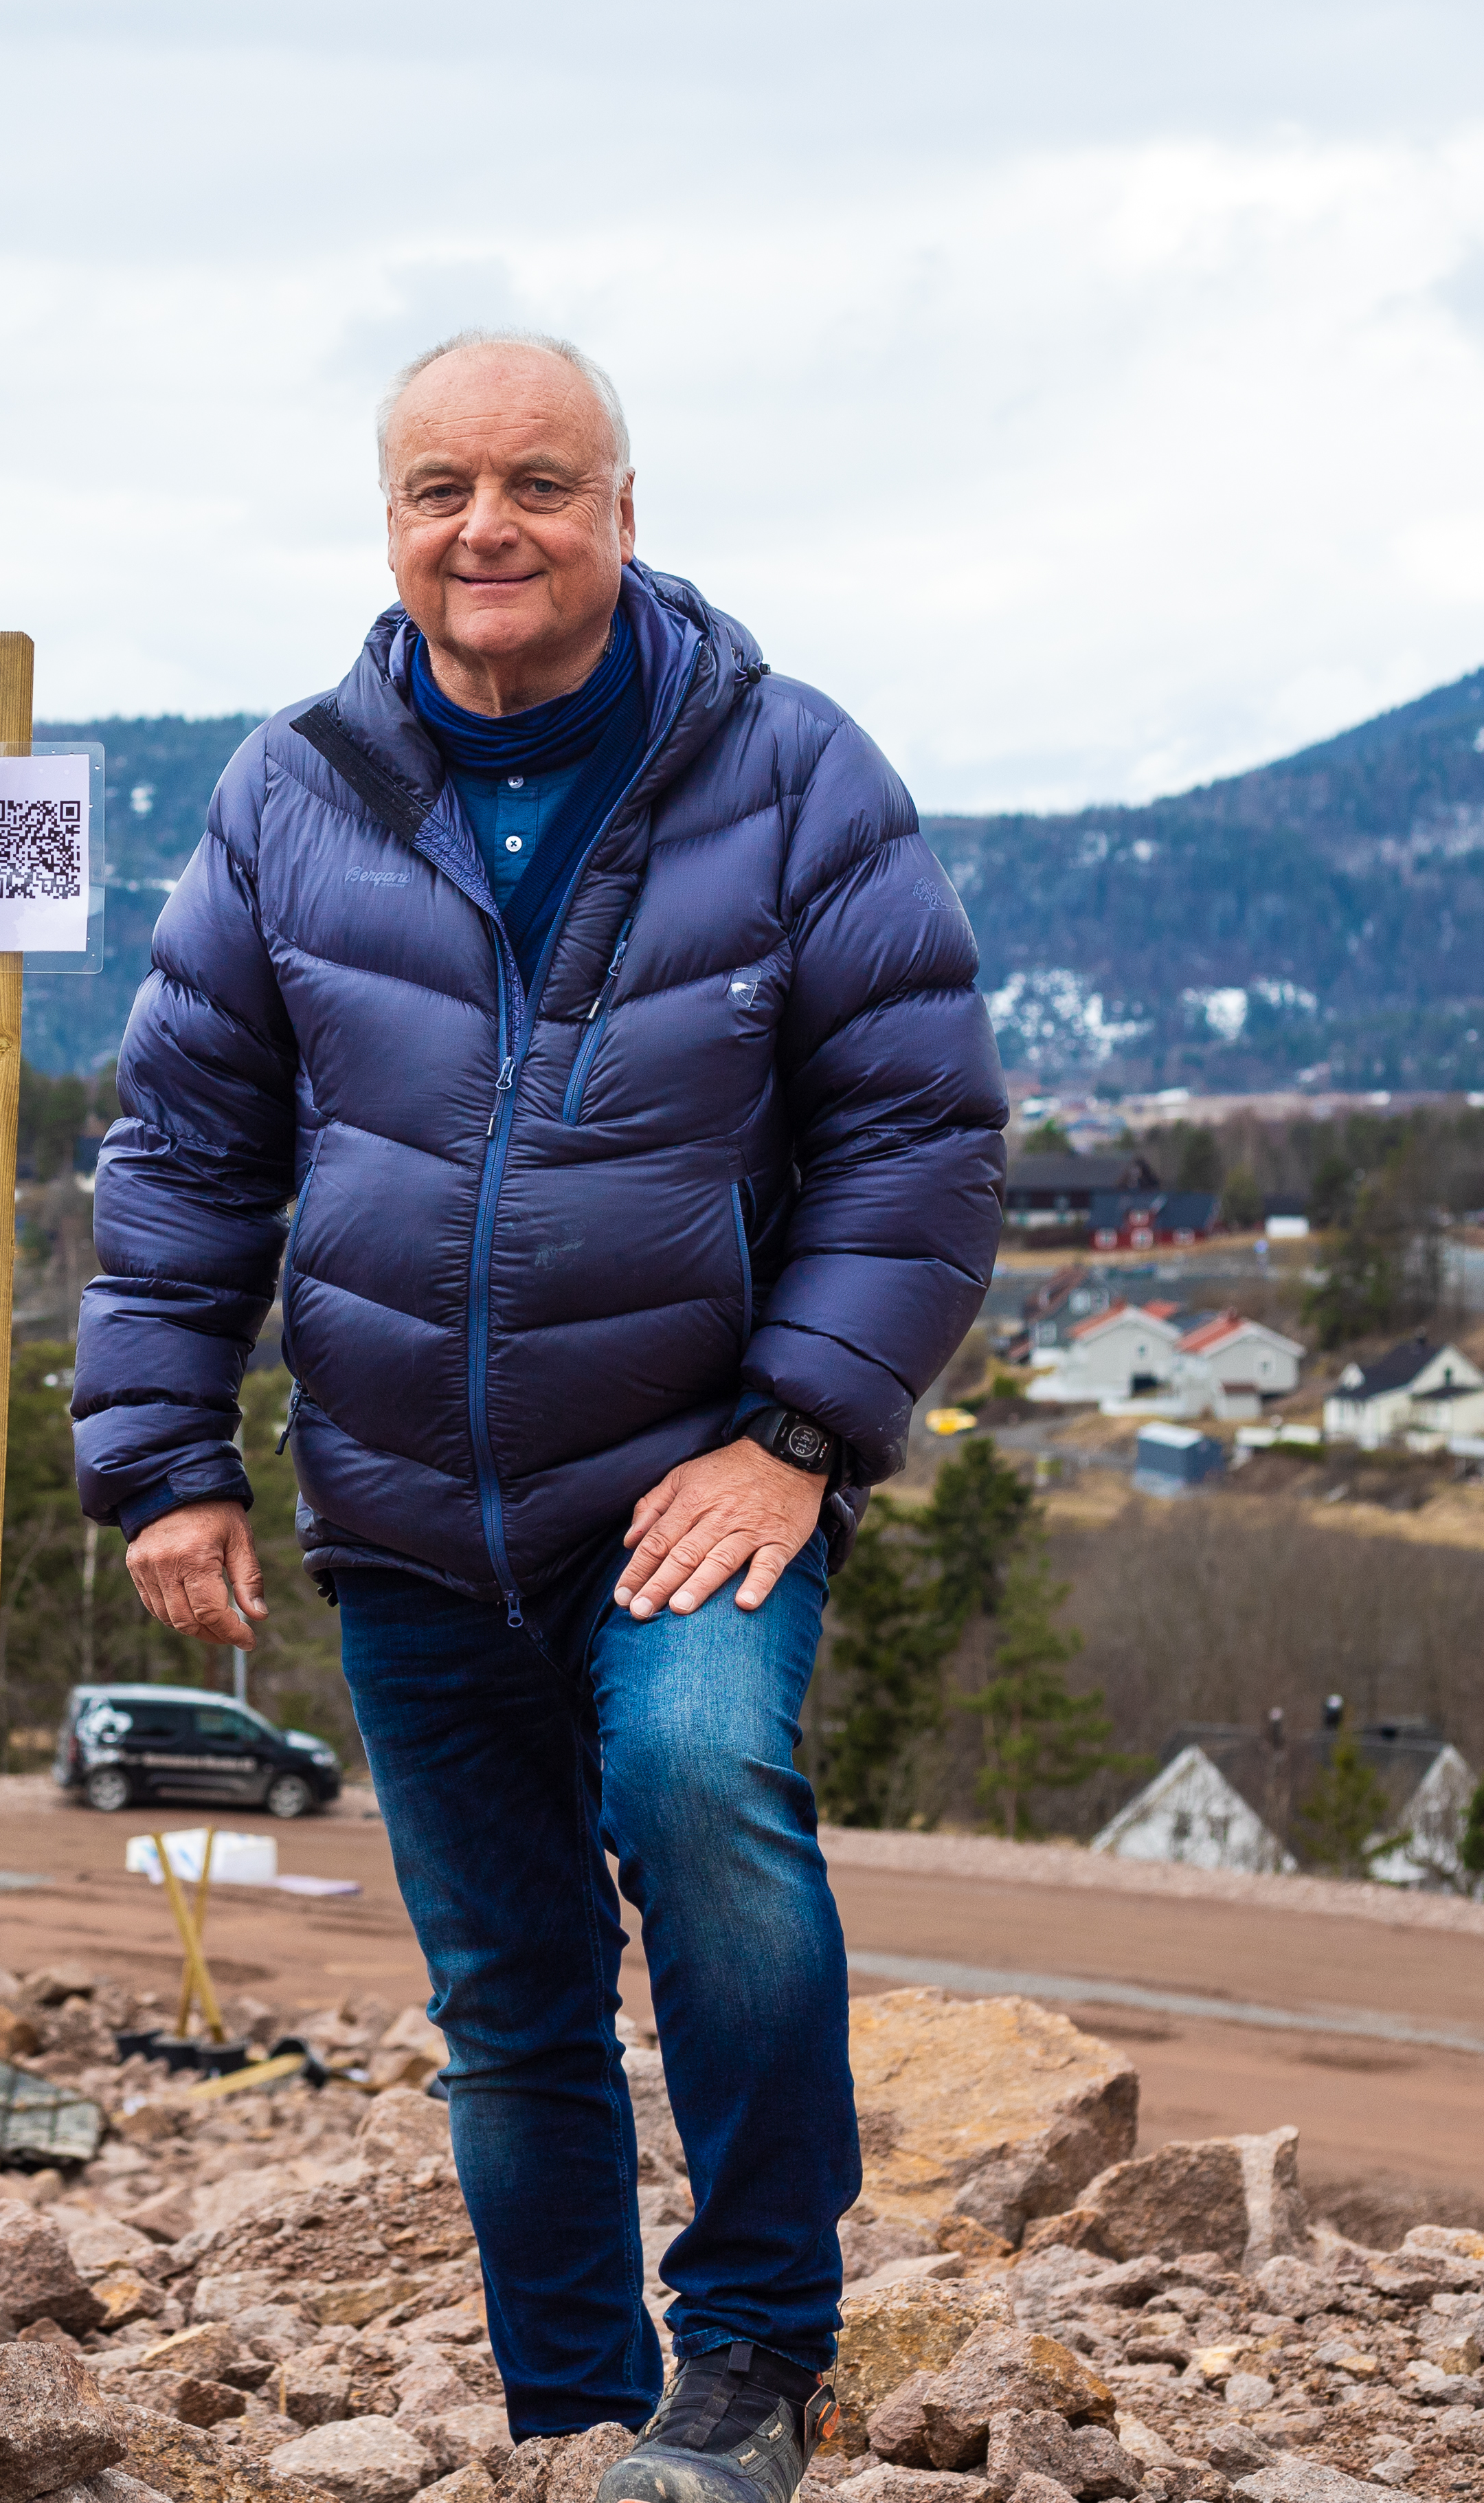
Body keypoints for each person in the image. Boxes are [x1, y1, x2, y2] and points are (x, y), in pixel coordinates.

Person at [72, 331, 1004, 2503]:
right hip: (403, 1509)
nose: (483, 530)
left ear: (621, 513)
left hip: (693, 1482)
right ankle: (576, 2424)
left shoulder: (791, 772)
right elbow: (187, 1150)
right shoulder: (287, 787)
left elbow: (921, 1133)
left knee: (701, 1791)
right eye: (435, 490)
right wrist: (163, 1454)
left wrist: (793, 1431)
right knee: (510, 1998)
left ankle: (758, 2352)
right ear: (385, 520)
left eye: (534, 485)